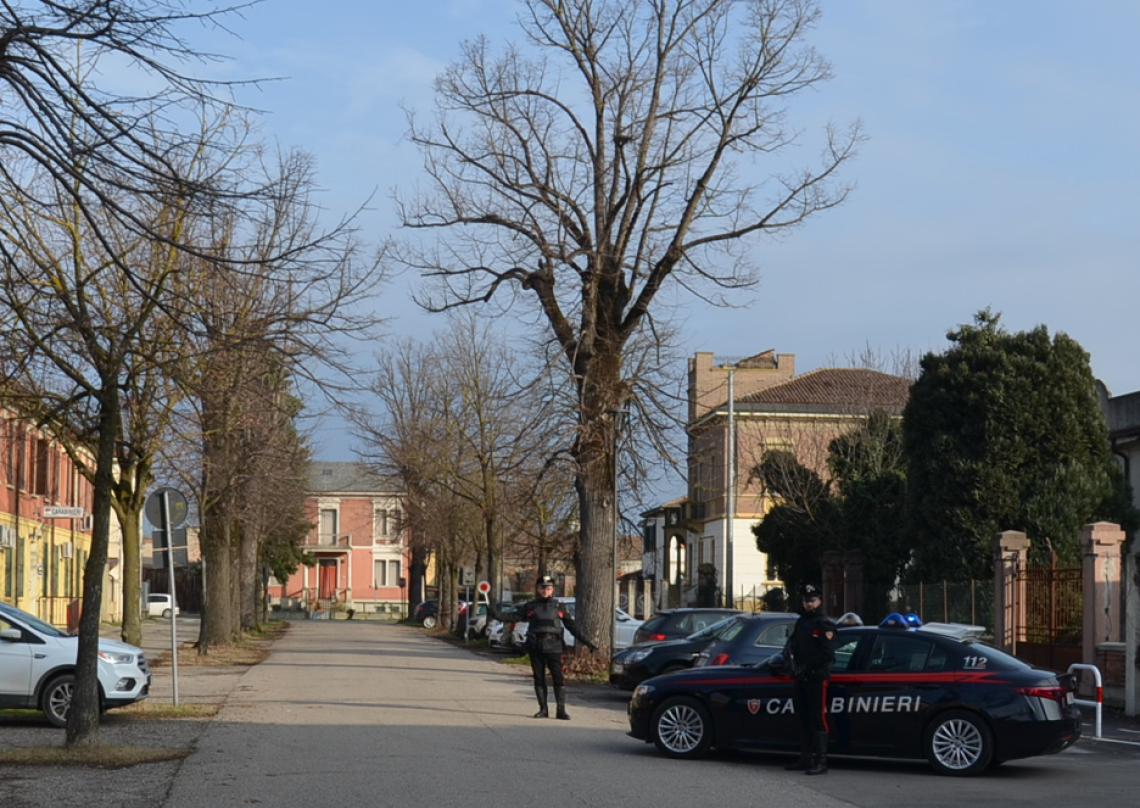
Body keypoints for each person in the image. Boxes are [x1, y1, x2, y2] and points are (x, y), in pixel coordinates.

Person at [488, 574, 597, 720]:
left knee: (558, 678)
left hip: (554, 646)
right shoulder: (531, 606)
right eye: (542, 588)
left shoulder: (559, 606)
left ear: (552, 590)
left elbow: (571, 626)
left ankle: (561, 710)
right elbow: (514, 617)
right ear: (539, 589)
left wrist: (587, 642)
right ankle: (543, 709)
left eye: (548, 588)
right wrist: (496, 615)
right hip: (536, 646)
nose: (545, 591)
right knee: (539, 678)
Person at [783, 583, 837, 775]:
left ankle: (821, 762)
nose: (809, 604)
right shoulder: (801, 622)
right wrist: (789, 662)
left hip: (816, 678)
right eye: (806, 601)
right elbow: (792, 645)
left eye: (812, 601)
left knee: (818, 718)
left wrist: (805, 667)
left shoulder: (824, 624)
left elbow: (826, 653)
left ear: (819, 601)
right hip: (801, 678)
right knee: (803, 717)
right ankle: (806, 758)